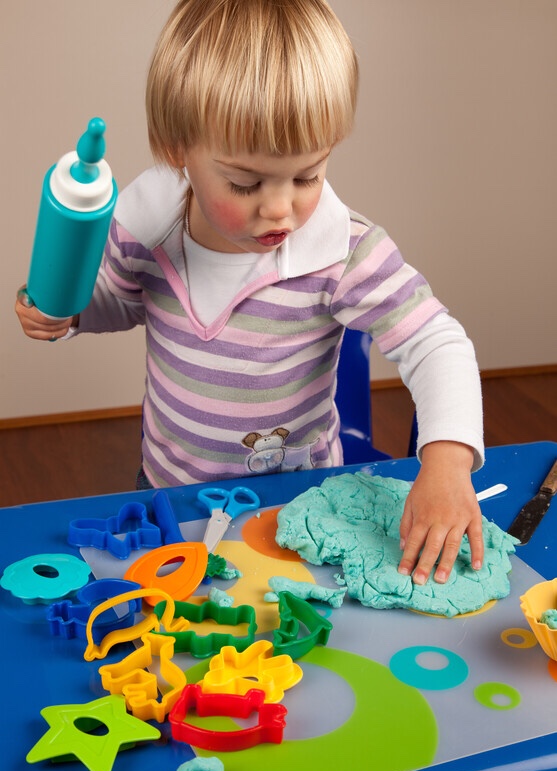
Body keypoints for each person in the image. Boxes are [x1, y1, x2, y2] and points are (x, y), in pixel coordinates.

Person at [15, 0, 484, 586]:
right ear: (178, 150)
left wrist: (446, 460)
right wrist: (72, 312)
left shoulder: (344, 253)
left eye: (308, 175)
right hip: (169, 492)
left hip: (300, 504)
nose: (281, 207)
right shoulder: (147, 229)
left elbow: (437, 341)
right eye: (245, 182)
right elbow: (122, 302)